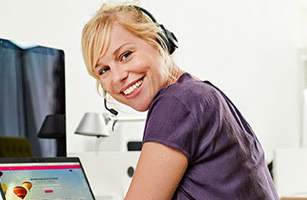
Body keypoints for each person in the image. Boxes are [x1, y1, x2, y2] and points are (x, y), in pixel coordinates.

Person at [81, 2, 279, 200]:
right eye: (103, 70)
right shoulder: (199, 93)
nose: (117, 77)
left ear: (157, 42)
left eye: (125, 55)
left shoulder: (176, 102)